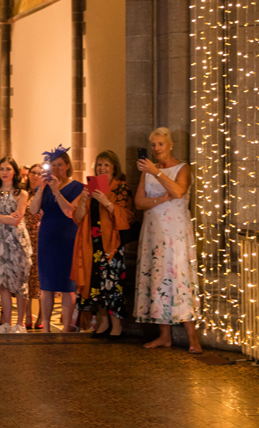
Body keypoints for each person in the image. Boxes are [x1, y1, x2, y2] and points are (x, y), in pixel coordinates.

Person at [134, 128, 201, 353]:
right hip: (154, 231)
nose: (156, 149)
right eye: (153, 145)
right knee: (157, 278)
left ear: (170, 145)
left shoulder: (183, 168)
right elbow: (139, 202)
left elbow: (179, 191)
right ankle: (164, 335)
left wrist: (157, 173)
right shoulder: (147, 171)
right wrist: (159, 199)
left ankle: (193, 338)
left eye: (160, 144)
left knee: (179, 279)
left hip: (176, 233)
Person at [74, 151, 133, 339]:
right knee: (96, 286)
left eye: (106, 165)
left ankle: (117, 325)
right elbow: (77, 217)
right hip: (92, 243)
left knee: (112, 285)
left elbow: (127, 217)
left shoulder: (120, 188)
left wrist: (106, 202)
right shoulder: (89, 188)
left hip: (111, 246)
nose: (102, 168)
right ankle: (103, 323)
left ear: (114, 168)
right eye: (99, 165)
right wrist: (83, 201)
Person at [29, 146, 85, 332]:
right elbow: (34, 210)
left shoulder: (77, 187)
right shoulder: (44, 186)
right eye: (52, 166)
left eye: (60, 165)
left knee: (67, 286)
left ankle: (67, 326)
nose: (56, 169)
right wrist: (42, 189)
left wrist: (56, 191)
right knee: (47, 285)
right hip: (47, 237)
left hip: (67, 238)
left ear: (68, 166)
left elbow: (70, 212)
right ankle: (45, 327)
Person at [0, 157, 32, 333]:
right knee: (2, 283)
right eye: (2, 169)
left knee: (18, 282)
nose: (4, 172)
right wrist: (1, 217)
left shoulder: (21, 193)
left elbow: (16, 220)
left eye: (8, 169)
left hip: (16, 240)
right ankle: (6, 323)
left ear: (14, 172)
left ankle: (20, 324)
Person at [21, 166, 43, 330]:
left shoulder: (46, 192)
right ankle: (28, 315)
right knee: (27, 277)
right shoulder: (23, 193)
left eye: (40, 173)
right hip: (26, 238)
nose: (36, 176)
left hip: (42, 238)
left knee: (41, 279)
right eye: (33, 173)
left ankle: (42, 315)